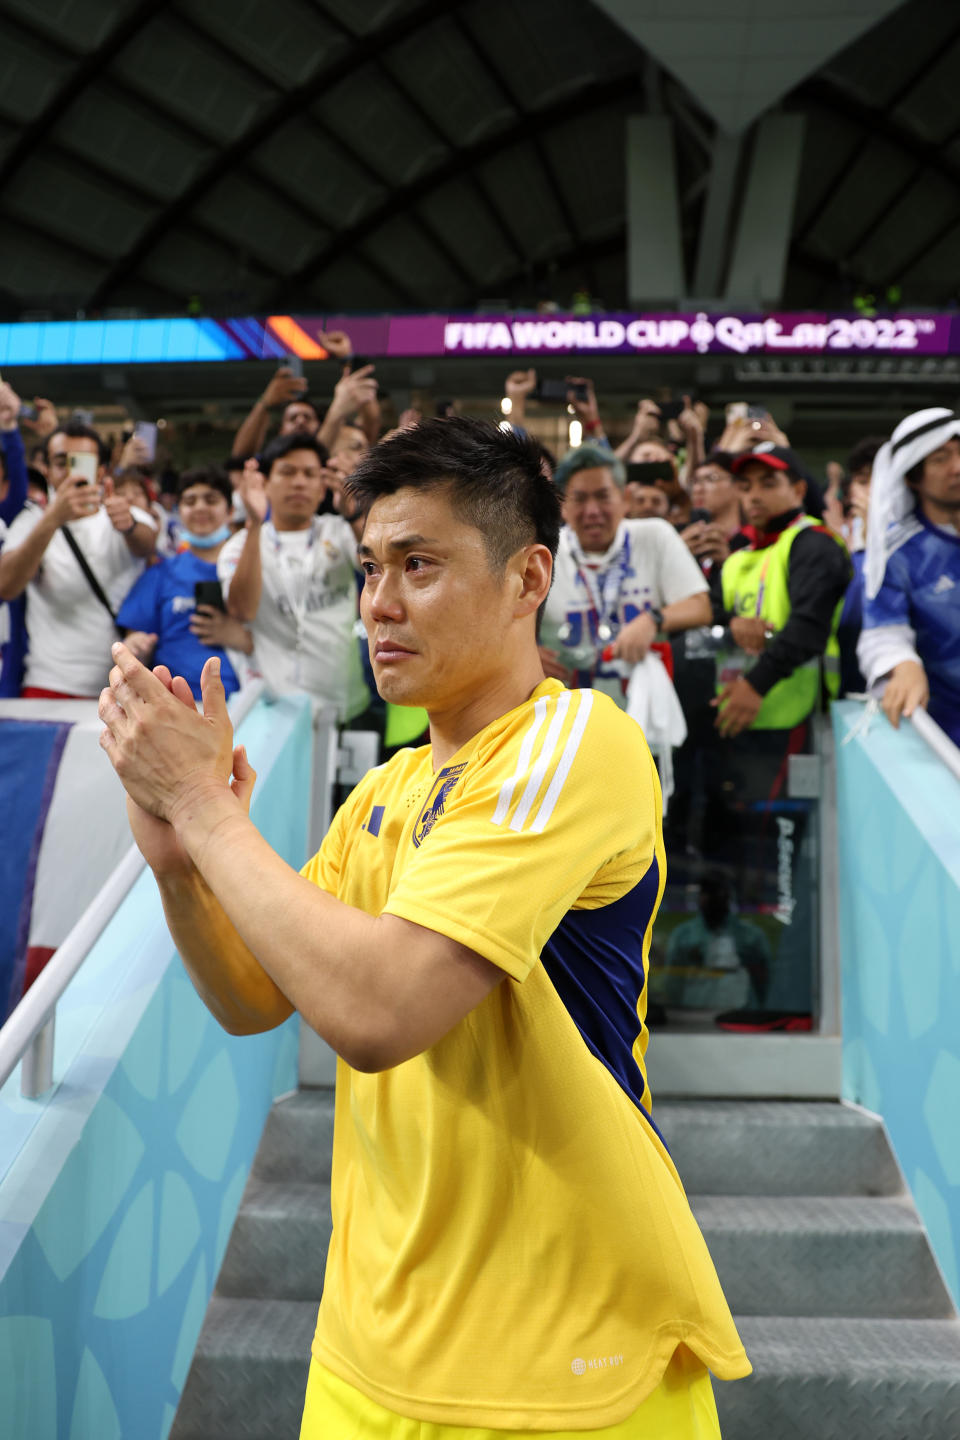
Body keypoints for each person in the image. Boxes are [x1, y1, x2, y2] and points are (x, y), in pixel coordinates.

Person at [98, 416, 749, 1438]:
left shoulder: (577, 743)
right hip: (365, 1359)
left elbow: (377, 1006)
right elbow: (253, 996)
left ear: (529, 579)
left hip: (565, 1372)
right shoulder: (391, 787)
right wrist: (180, 865)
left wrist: (209, 810)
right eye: (368, 568)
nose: (379, 604)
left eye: (419, 565)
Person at [541, 444, 711, 704]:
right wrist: (525, 655)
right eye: (580, 498)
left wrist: (652, 620)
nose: (592, 510)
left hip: (641, 713)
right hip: (566, 715)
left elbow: (700, 606)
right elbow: (502, 624)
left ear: (624, 499)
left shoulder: (655, 535)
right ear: (562, 505)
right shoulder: (545, 553)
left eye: (603, 496)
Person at [217, 433, 368, 721]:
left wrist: (352, 515)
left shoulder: (339, 531)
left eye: (310, 474)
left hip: (345, 705)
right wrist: (254, 524)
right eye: (287, 472)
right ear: (266, 483)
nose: (299, 482)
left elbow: (378, 566)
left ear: (323, 488)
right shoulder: (239, 546)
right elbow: (242, 609)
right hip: (276, 711)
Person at [0, 421, 156, 699]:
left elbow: (147, 543)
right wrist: (52, 519)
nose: (72, 473)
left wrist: (129, 525)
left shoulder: (121, 513)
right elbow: (6, 586)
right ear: (46, 470)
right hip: (50, 685)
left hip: (123, 685)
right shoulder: (31, 521)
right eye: (61, 462)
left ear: (100, 471)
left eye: (81, 462)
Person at [714, 446, 851, 740]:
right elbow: (710, 612)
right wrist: (732, 623)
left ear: (799, 490)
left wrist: (755, 684)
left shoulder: (815, 543)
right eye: (745, 486)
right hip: (734, 712)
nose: (753, 495)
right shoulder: (737, 558)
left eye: (768, 483)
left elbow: (809, 626)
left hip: (803, 718)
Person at [858, 408, 960, 744]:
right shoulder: (897, 552)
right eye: (940, 459)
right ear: (912, 476)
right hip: (943, 728)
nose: (957, 467)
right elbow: (882, 632)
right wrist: (902, 664)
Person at [117, 467, 253, 700]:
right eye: (190, 501)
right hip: (171, 706)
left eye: (211, 500)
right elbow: (133, 642)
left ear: (230, 511)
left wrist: (243, 640)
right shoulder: (159, 574)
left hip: (243, 705)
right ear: (179, 511)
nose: (200, 507)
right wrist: (136, 645)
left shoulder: (251, 571)